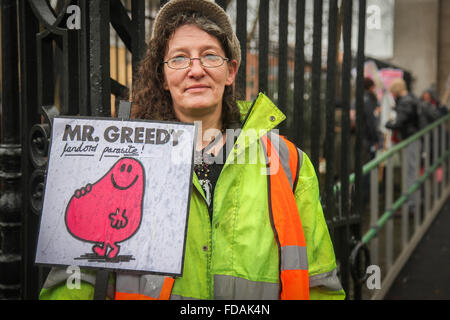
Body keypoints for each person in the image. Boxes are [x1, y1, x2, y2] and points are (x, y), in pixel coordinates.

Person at [39, 0, 344, 300]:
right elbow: (73, 280)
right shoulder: (117, 154)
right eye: (180, 58)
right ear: (163, 78)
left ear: (231, 72)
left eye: (210, 56)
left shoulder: (288, 162)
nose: (195, 70)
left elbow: (321, 285)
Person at [385, 78, 420, 212]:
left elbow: (399, 122)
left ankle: (411, 204)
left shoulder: (405, 102)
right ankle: (413, 201)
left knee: (410, 171)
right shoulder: (411, 99)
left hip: (410, 138)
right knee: (412, 170)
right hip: (413, 137)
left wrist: (388, 124)